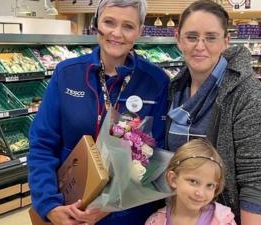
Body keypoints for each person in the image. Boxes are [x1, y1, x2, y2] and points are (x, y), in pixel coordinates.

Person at [27, 0, 170, 224]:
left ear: (140, 31)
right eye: (109, 22)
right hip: (68, 209)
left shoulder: (156, 82)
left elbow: (155, 155)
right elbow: (43, 144)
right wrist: (49, 205)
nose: (116, 33)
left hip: (128, 216)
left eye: (128, 26)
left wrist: (110, 207)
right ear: (96, 24)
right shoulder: (67, 74)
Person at [166, 1, 261, 225]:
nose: (200, 46)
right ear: (178, 39)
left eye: (211, 37)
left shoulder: (247, 95)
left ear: (226, 41)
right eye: (192, 36)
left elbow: (254, 178)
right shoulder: (175, 89)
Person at [145, 139, 237, 225]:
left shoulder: (224, 221)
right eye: (193, 181)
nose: (200, 193)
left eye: (209, 185)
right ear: (173, 179)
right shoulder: (156, 222)